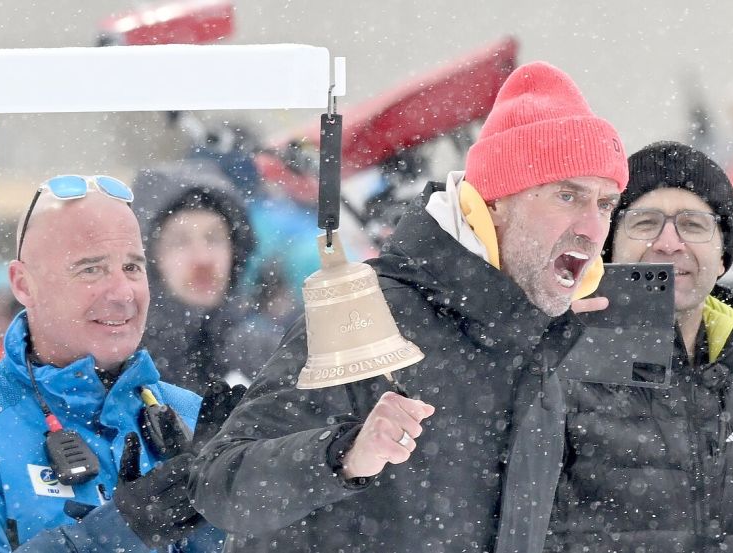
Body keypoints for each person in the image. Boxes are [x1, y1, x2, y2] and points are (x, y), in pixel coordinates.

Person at [189, 61, 628, 552]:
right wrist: (344, 454)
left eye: (606, 203)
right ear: (495, 203)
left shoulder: (551, 342)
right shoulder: (373, 309)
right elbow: (222, 484)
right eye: (568, 195)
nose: (592, 227)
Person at [0, 174, 232, 552]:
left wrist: (229, 515)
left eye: (132, 267)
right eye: (91, 269)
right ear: (24, 284)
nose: (122, 293)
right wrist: (116, 534)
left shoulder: (190, 415)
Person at [547, 141, 733, 551]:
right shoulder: (556, 358)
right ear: (610, 247)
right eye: (644, 223)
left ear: (724, 256)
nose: (669, 243)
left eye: (693, 225)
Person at [132, 160, 282, 393]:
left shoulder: (266, 355)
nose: (203, 259)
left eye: (213, 238)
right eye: (179, 242)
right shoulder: (124, 367)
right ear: (149, 259)